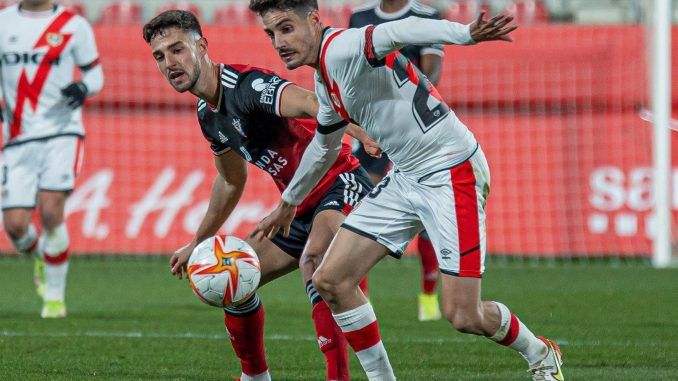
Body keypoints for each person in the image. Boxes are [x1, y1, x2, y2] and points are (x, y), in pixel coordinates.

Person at [249, 1, 565, 380]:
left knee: (464, 315)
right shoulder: (324, 78)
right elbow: (325, 145)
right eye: (271, 34)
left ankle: (540, 352)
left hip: (451, 170)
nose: (279, 41)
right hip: (406, 175)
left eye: (286, 28)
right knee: (330, 279)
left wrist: (463, 34)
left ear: (314, 21)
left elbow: (400, 30)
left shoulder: (344, 47)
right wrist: (289, 202)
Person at [143, 10, 378, 381]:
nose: (170, 63)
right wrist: (197, 242)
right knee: (234, 275)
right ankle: (255, 377)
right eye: (160, 56)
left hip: (342, 182)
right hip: (296, 207)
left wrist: (360, 133)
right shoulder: (208, 113)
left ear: (201, 46)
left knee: (316, 264)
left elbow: (309, 102)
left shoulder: (245, 86)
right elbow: (231, 182)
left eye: (177, 50)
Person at [0, 0, 103, 318]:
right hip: (17, 137)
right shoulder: (3, 22)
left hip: (62, 132)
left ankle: (54, 301)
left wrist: (84, 86)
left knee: (50, 210)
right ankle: (42, 256)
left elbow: (95, 72)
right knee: (16, 227)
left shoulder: (73, 25)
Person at [349, 0, 444, 322]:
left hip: (415, 129)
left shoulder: (427, 16)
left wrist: (399, 96)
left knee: (427, 213)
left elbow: (432, 72)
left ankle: (428, 297)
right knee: (358, 211)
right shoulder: (360, 17)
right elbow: (352, 71)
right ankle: (361, 299)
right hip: (374, 128)